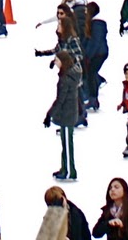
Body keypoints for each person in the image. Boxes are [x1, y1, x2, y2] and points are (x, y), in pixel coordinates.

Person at [46, 48, 82, 182]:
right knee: (65, 143)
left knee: (67, 144)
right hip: (68, 113)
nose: (55, 62)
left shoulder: (66, 79)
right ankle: (64, 167)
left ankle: (69, 171)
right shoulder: (70, 75)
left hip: (67, 115)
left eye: (57, 60)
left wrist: (49, 115)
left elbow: (60, 100)